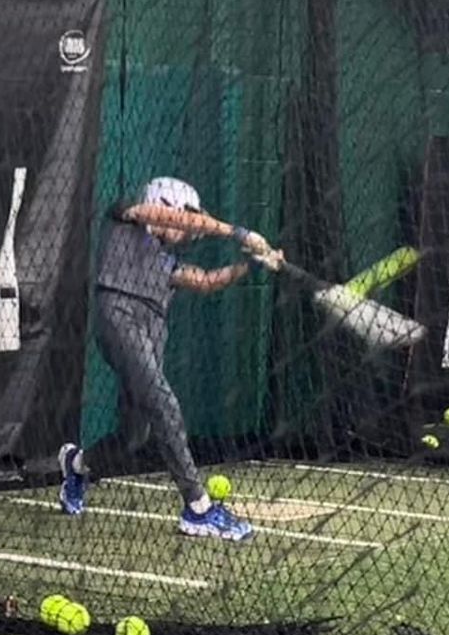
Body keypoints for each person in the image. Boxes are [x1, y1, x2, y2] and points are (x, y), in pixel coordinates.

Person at [58, 179, 282, 541]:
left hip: (151, 328)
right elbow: (166, 217)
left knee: (134, 434)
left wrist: (253, 264)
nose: (188, 228)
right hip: (118, 314)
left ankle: (78, 465)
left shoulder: (165, 260)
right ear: (169, 207)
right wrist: (238, 232)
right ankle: (197, 507)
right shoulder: (126, 215)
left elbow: (208, 281)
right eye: (185, 218)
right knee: (164, 403)